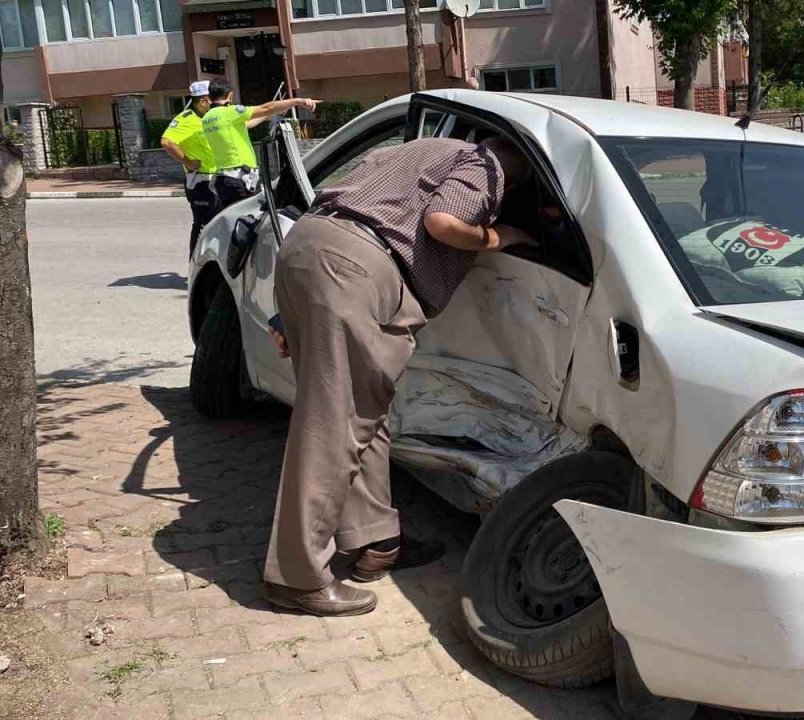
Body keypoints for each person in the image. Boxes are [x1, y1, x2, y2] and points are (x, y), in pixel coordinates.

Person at [261, 134, 537, 616]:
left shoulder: (409, 150)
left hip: (308, 247)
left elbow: (340, 213)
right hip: (357, 269)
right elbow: (443, 222)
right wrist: (499, 237)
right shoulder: (487, 162)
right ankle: (296, 575)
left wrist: (292, 311)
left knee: (365, 415)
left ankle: (375, 542)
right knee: (336, 425)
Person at [201, 78, 320, 208]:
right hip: (239, 179)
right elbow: (266, 108)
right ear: (230, 95)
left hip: (224, 180)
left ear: (210, 97)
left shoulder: (207, 118)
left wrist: (275, 111)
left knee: (235, 219)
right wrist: (297, 101)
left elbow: (247, 124)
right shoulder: (229, 112)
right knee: (250, 220)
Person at [160, 81, 220, 257]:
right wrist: (187, 161)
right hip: (200, 181)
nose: (214, 103)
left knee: (219, 223)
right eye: (212, 99)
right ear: (203, 101)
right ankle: (195, 268)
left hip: (216, 178)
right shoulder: (186, 119)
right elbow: (167, 142)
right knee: (202, 224)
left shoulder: (209, 118)